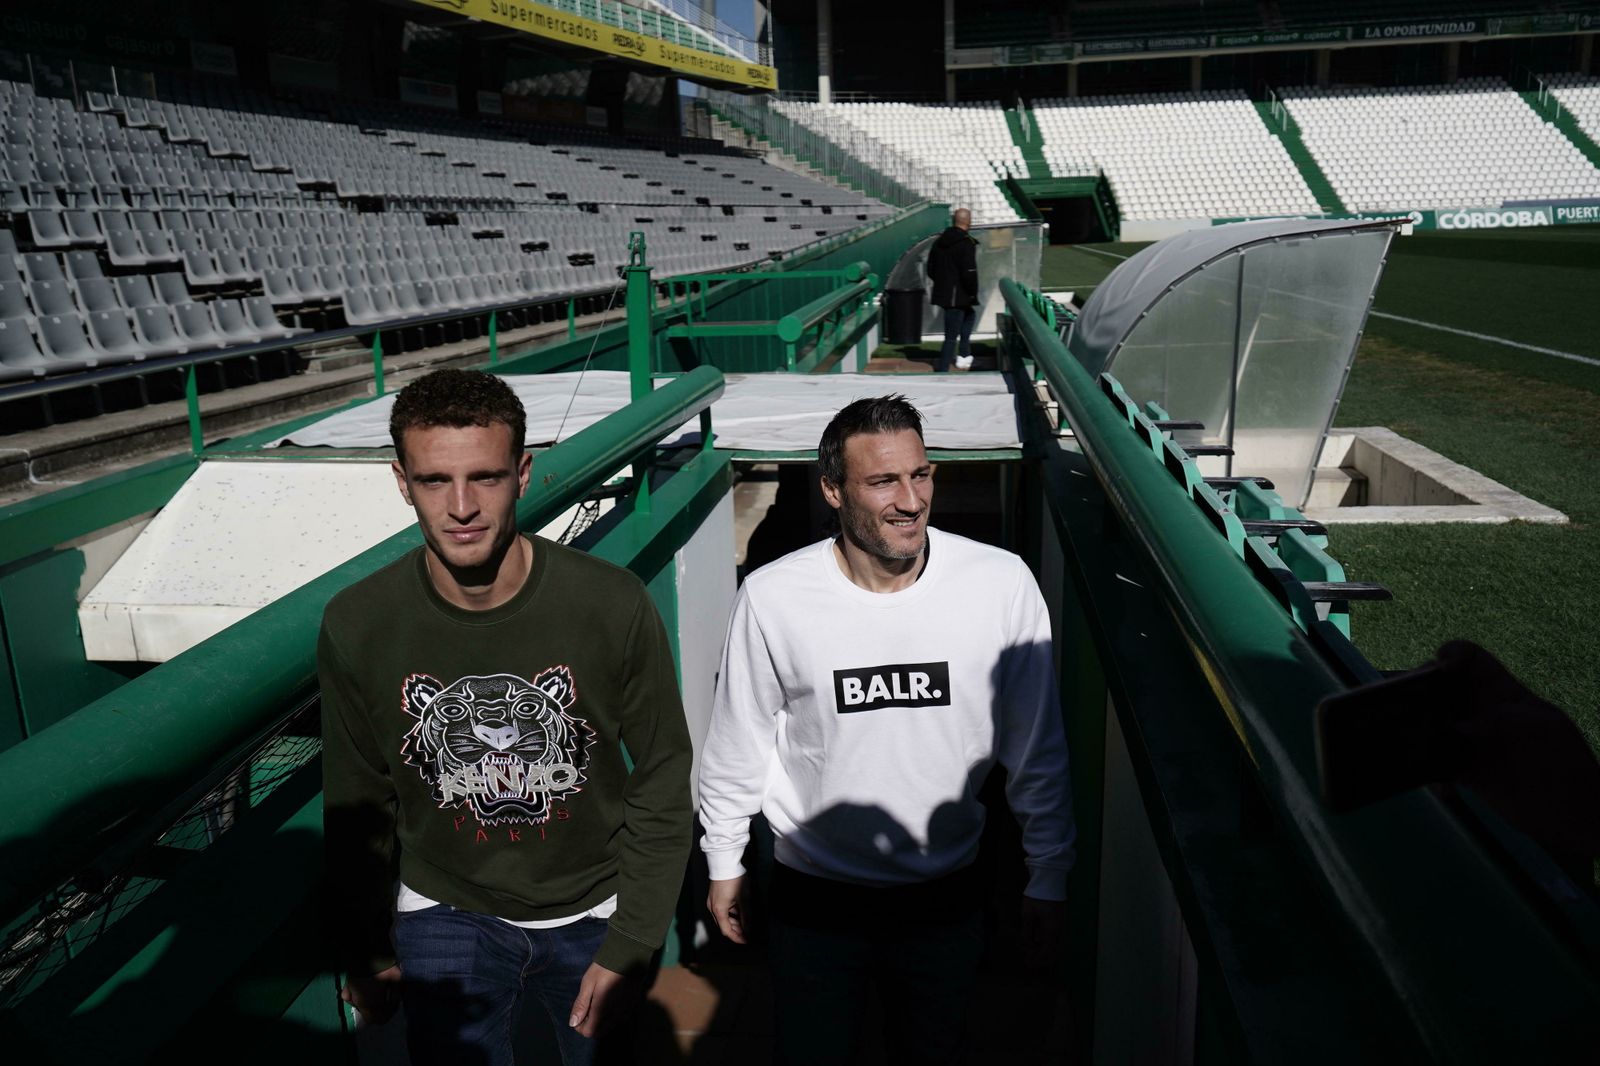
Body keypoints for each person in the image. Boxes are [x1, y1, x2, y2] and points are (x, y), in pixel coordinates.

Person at [319, 368, 693, 1066]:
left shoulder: (611, 605)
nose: (461, 505)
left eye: (485, 477)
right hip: (445, 908)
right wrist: (366, 949)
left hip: (595, 908)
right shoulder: (359, 624)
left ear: (522, 473)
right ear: (402, 481)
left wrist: (636, 940)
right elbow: (354, 801)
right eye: (435, 481)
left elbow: (664, 775)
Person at [697, 395, 1075, 1065]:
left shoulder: (1000, 584)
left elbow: (1037, 749)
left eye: (921, 475)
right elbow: (739, 742)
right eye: (883, 482)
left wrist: (1048, 875)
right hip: (814, 904)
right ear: (833, 491)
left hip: (948, 897)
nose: (911, 500)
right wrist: (725, 862)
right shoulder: (774, 595)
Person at [927, 207, 980, 371]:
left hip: (946, 293)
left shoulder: (939, 242)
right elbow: (969, 272)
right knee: (951, 335)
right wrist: (972, 292)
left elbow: (931, 268)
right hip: (960, 294)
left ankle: (964, 354)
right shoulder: (966, 243)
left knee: (969, 316)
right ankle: (943, 368)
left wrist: (943, 284)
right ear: (968, 222)